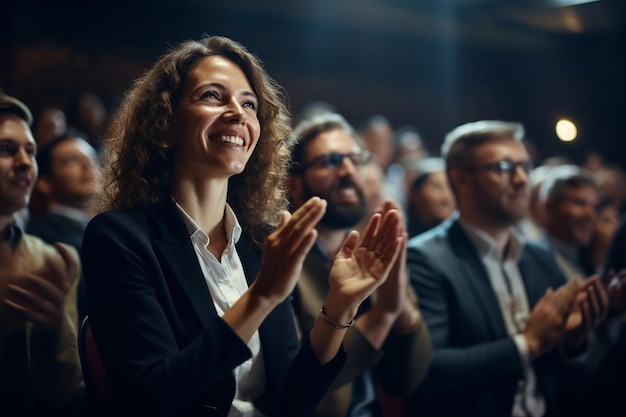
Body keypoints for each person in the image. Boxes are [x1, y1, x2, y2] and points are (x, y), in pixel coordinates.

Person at [81, 36, 405, 417]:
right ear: (165, 125)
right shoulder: (119, 237)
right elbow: (149, 398)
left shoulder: (260, 243)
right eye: (212, 96)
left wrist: (339, 306)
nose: (238, 112)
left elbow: (292, 402)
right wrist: (261, 295)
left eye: (248, 103)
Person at [406, 120, 610, 417]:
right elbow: (428, 370)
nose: (521, 179)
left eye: (525, 167)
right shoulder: (425, 258)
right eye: (504, 168)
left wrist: (573, 342)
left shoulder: (540, 256)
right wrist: (527, 343)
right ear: (461, 179)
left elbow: (560, 374)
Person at [285, 112, 431, 417]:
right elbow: (293, 387)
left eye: (356, 159)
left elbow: (408, 379)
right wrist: (381, 317)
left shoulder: (375, 249)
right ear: (293, 186)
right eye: (330, 161)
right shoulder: (280, 262)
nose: (348, 171)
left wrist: (399, 304)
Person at [0, 93, 82, 415]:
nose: (24, 161)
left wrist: (50, 330)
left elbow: (63, 392)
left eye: (30, 151)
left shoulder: (51, 260)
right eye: (6, 149)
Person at [26, 134, 101, 321]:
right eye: (72, 160)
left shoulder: (103, 223)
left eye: (92, 158)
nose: (88, 165)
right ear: (45, 183)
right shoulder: (42, 239)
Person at [537, 164, 600, 280]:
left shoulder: (587, 261)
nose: (590, 214)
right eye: (580, 203)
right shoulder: (530, 259)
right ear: (549, 207)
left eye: (595, 207)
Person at [404, 157, 455, 238]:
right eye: (437, 187)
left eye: (450, 187)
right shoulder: (399, 238)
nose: (447, 196)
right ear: (414, 194)